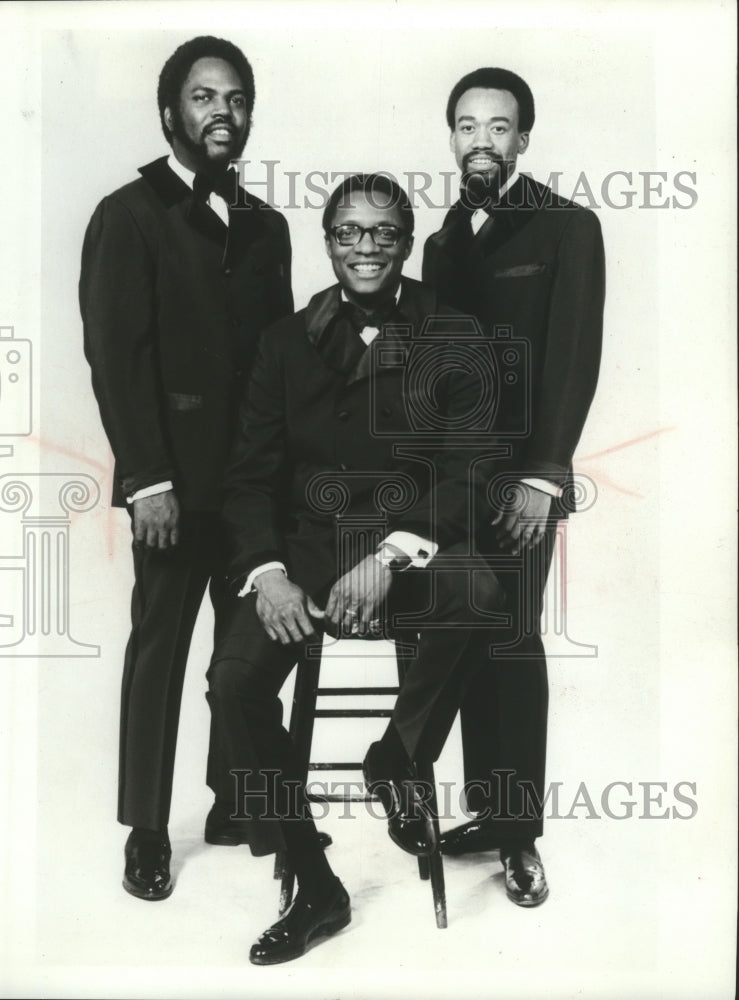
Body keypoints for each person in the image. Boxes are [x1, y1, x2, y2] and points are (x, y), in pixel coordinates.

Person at [212, 173, 505, 963]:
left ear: (406, 242)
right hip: (304, 555)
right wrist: (268, 573)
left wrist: (390, 555)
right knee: (232, 683)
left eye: (382, 232)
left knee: (479, 592)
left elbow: (471, 466)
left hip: (408, 545)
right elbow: (246, 478)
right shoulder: (283, 340)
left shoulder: (454, 330)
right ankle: (311, 878)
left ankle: (396, 756)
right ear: (329, 241)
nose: (365, 247)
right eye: (349, 232)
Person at [79, 35, 294, 901]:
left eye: (236, 99)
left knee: (239, 650)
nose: (222, 114)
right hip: (172, 485)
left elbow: (278, 364)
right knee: (161, 647)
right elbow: (116, 357)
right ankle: (143, 828)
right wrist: (146, 479)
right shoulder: (128, 215)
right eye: (205, 98)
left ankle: (232, 798)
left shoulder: (266, 224)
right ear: (170, 112)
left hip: (251, 487)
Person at [422, 67, 605, 905]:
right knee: (463, 633)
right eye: (467, 126)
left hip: (523, 482)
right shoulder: (439, 244)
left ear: (522, 139)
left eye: (499, 127)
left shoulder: (568, 228)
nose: (481, 141)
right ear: (452, 137)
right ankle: (489, 815)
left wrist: (543, 475)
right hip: (453, 482)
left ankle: (520, 834)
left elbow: (572, 361)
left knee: (511, 640)